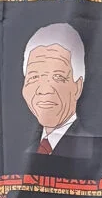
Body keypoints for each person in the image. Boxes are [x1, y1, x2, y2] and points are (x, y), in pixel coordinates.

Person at [21, 23, 96, 158]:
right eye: (34, 77)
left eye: (57, 77)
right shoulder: (25, 152)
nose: (44, 90)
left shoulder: (92, 150)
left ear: (78, 87)